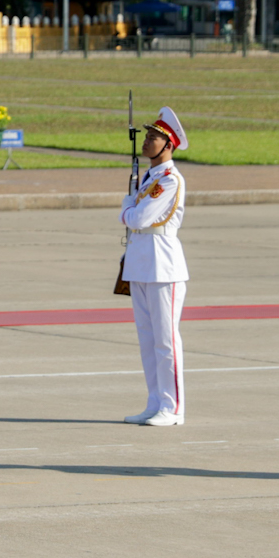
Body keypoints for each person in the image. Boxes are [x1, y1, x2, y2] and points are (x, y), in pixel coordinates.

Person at [119, 107, 189, 426]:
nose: (147, 142)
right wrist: (132, 207)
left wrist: (126, 208)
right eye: (147, 137)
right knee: (147, 339)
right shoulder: (149, 177)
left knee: (165, 339)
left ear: (168, 145)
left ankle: (173, 408)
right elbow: (137, 216)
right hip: (141, 263)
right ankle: (154, 401)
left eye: (153, 138)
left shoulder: (169, 180)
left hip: (163, 265)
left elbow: (140, 218)